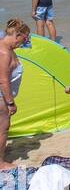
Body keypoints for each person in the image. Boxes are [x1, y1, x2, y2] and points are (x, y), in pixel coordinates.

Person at [0, 20, 31, 168]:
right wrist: (10, 103)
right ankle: (0, 163)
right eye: (24, 39)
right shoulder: (5, 52)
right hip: (2, 98)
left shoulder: (5, 47)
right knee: (3, 129)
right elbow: (3, 81)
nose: (24, 43)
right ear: (17, 35)